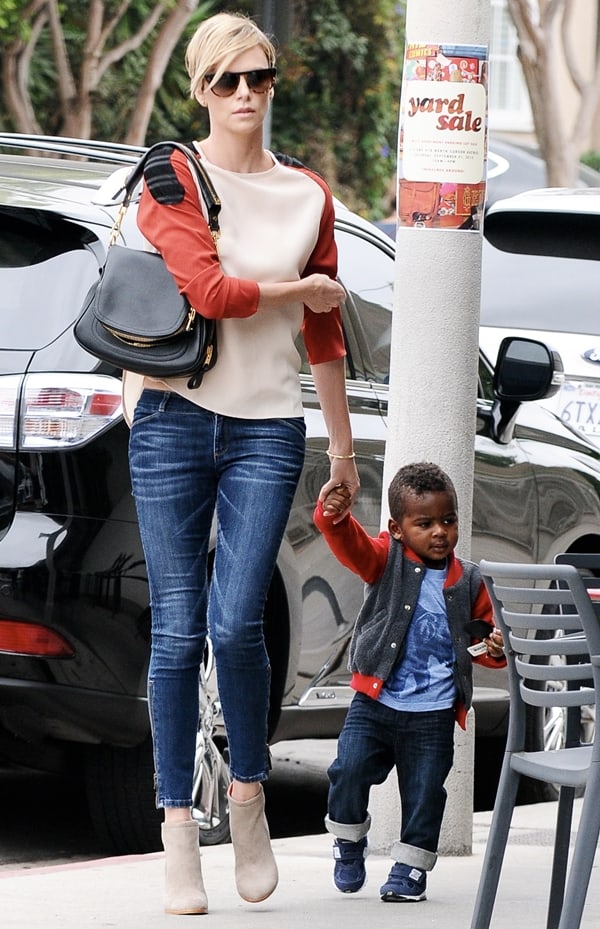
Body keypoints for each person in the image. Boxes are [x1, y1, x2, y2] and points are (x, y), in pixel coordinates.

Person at [125, 10, 360, 916]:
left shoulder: (308, 195)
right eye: (227, 81)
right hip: (174, 420)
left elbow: (327, 334)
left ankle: (250, 800)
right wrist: (300, 287)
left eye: (259, 77)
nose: (246, 95)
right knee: (179, 632)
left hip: (268, 426)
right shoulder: (171, 176)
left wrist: (340, 449)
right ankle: (179, 826)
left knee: (237, 626)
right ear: (200, 89)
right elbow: (212, 292)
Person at [313, 462, 505, 903]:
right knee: (348, 771)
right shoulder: (384, 560)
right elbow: (349, 544)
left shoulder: (470, 579)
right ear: (397, 529)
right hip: (374, 705)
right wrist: (334, 515)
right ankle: (348, 839)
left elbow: (486, 640)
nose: (440, 532)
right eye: (425, 524)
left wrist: (495, 647)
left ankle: (410, 871)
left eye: (448, 520)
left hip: (433, 713)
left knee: (424, 794)